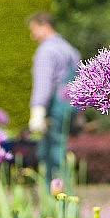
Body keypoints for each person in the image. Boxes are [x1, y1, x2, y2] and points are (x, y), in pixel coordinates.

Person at [27, 12, 81, 184]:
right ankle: (67, 189)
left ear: (44, 25)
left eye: (34, 30)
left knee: (50, 152)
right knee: (62, 148)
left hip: (54, 108)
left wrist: (37, 110)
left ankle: (54, 196)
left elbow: (43, 83)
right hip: (71, 107)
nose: (32, 35)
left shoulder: (46, 50)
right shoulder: (69, 49)